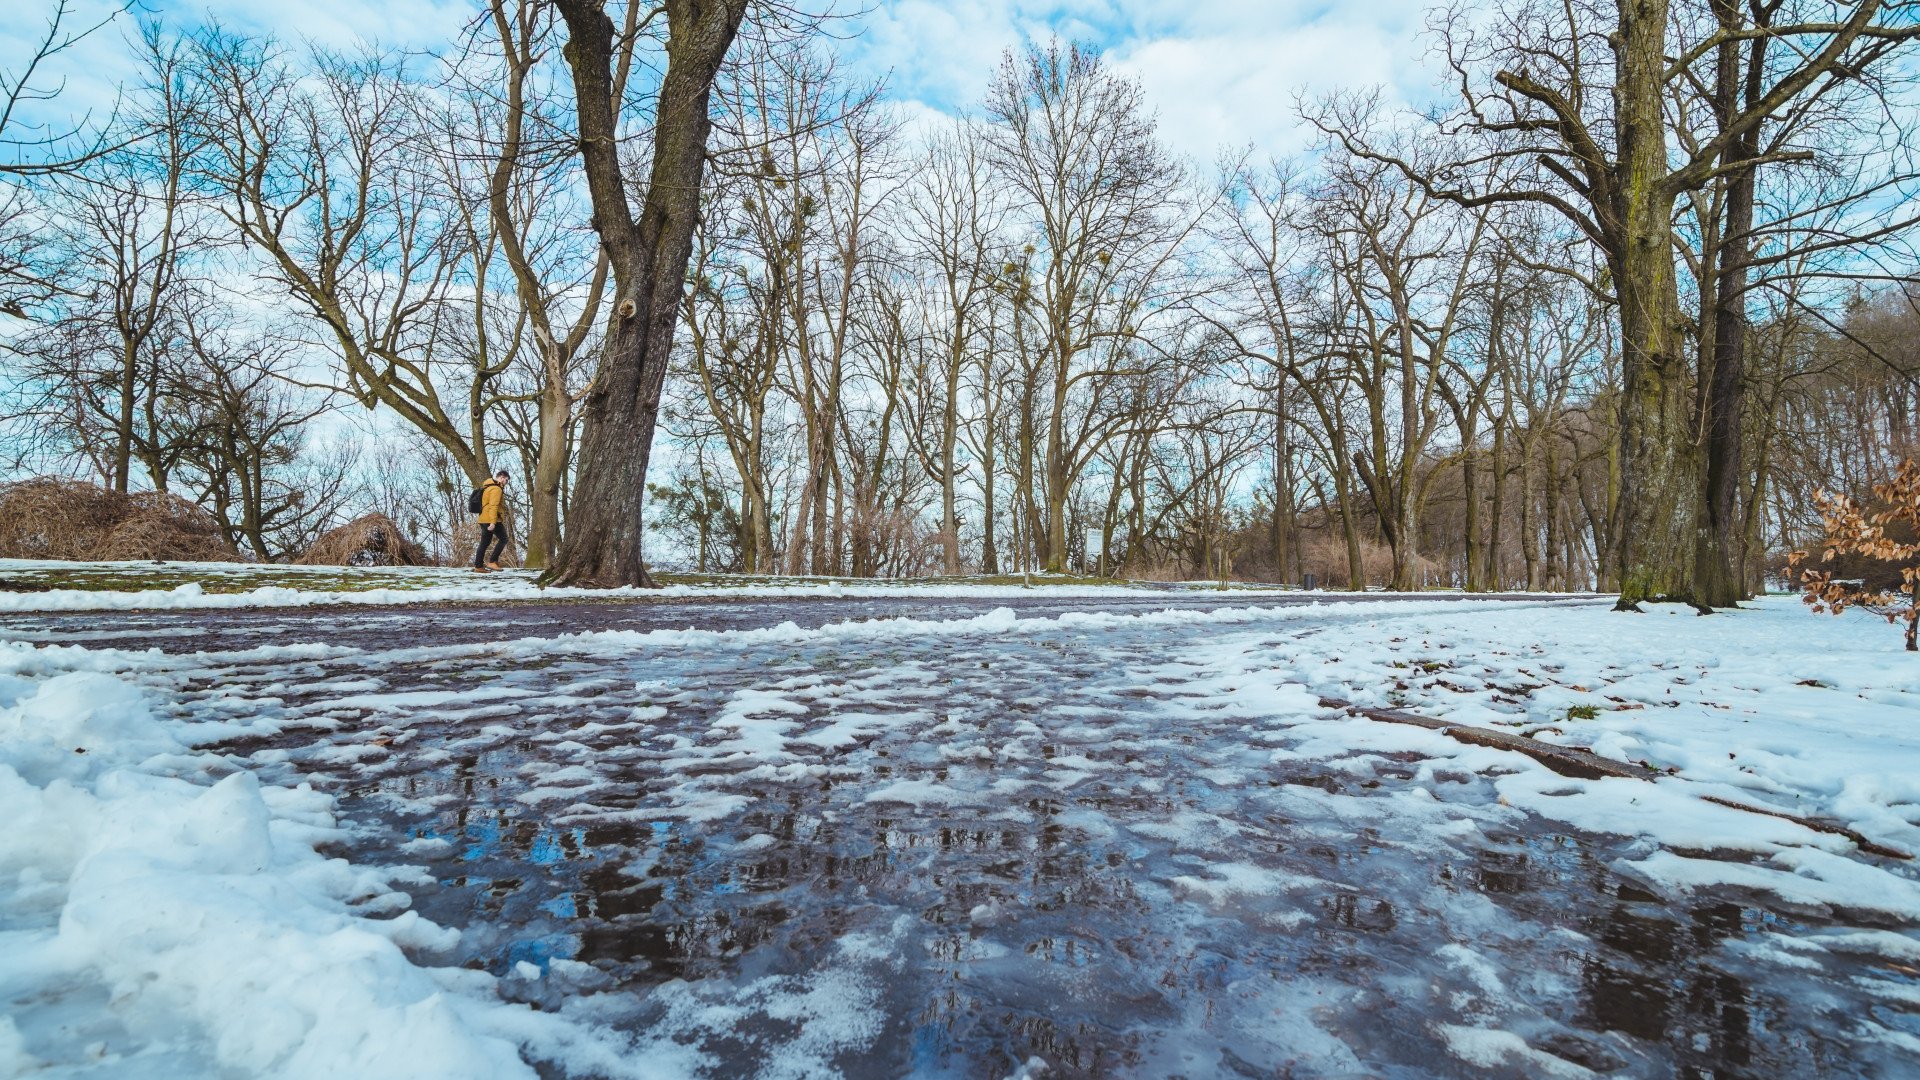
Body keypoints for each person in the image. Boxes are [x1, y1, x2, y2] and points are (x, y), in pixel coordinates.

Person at [474, 470, 511, 572]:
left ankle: (478, 566)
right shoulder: (496, 489)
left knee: (484, 542)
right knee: (504, 538)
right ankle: (492, 562)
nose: (505, 482)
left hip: (483, 518)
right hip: (491, 518)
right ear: (502, 477)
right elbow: (493, 506)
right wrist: (493, 522)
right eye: (506, 480)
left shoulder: (488, 487)